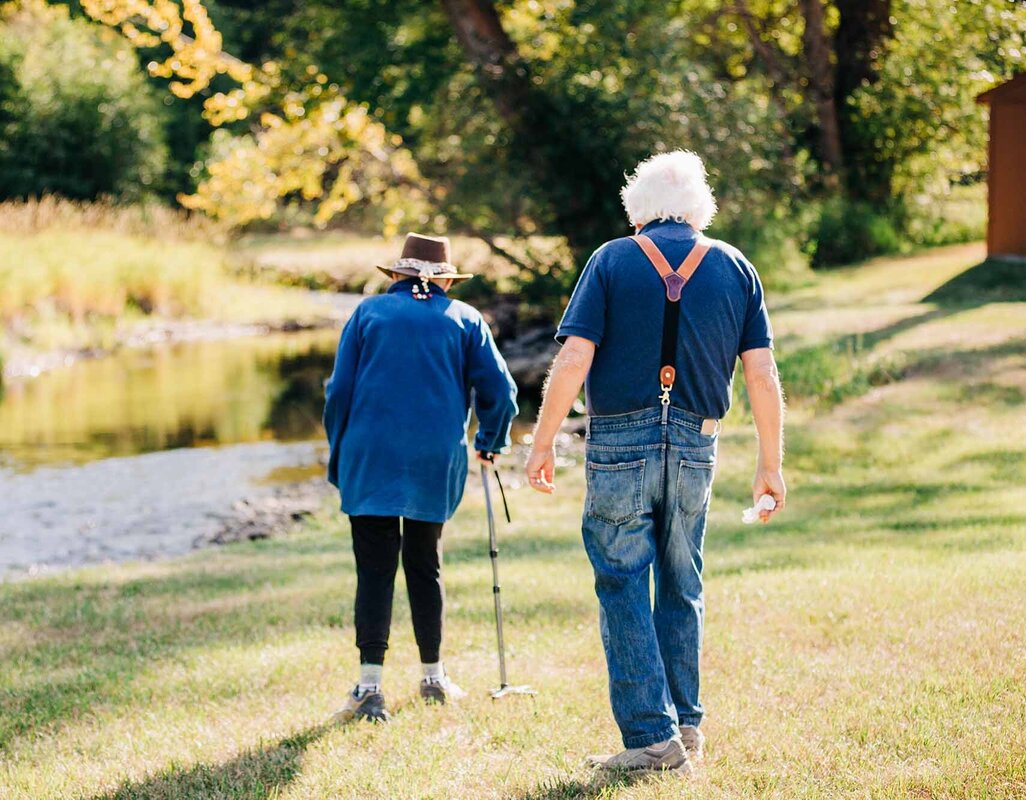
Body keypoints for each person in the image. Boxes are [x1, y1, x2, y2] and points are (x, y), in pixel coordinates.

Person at [524, 151, 786, 773]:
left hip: (618, 440)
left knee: (621, 581)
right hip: (698, 439)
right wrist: (769, 464)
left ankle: (651, 737)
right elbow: (762, 372)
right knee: (681, 578)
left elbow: (572, 359)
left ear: (635, 209)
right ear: (701, 207)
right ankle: (685, 725)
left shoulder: (611, 261)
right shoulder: (735, 267)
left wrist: (542, 443)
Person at [324, 232, 518, 723]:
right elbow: (501, 390)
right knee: (424, 563)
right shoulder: (465, 318)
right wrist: (490, 439)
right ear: (444, 279)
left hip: (369, 454)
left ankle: (369, 688)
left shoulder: (367, 314)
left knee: (374, 570)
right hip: (435, 457)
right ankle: (433, 677)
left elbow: (339, 392)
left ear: (398, 276)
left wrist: (338, 452)